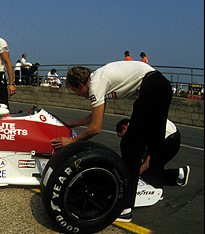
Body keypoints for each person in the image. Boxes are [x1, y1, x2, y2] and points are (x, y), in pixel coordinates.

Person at [49, 60, 172, 223]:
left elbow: (95, 128)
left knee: (130, 145)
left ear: (80, 84)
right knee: (155, 142)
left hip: (151, 88)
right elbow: (95, 115)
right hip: (162, 86)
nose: (78, 95)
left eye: (75, 91)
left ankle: (125, 209)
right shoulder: (99, 77)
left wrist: (71, 141)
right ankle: (157, 186)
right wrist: (72, 124)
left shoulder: (96, 84)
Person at [116, 118, 190, 192]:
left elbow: (150, 156)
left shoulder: (140, 129)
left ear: (124, 127)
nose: (124, 139)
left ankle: (163, 185)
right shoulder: (136, 125)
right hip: (167, 139)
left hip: (171, 141)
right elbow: (145, 150)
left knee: (150, 171)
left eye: (122, 136)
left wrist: (137, 173)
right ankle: (179, 174)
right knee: (148, 170)